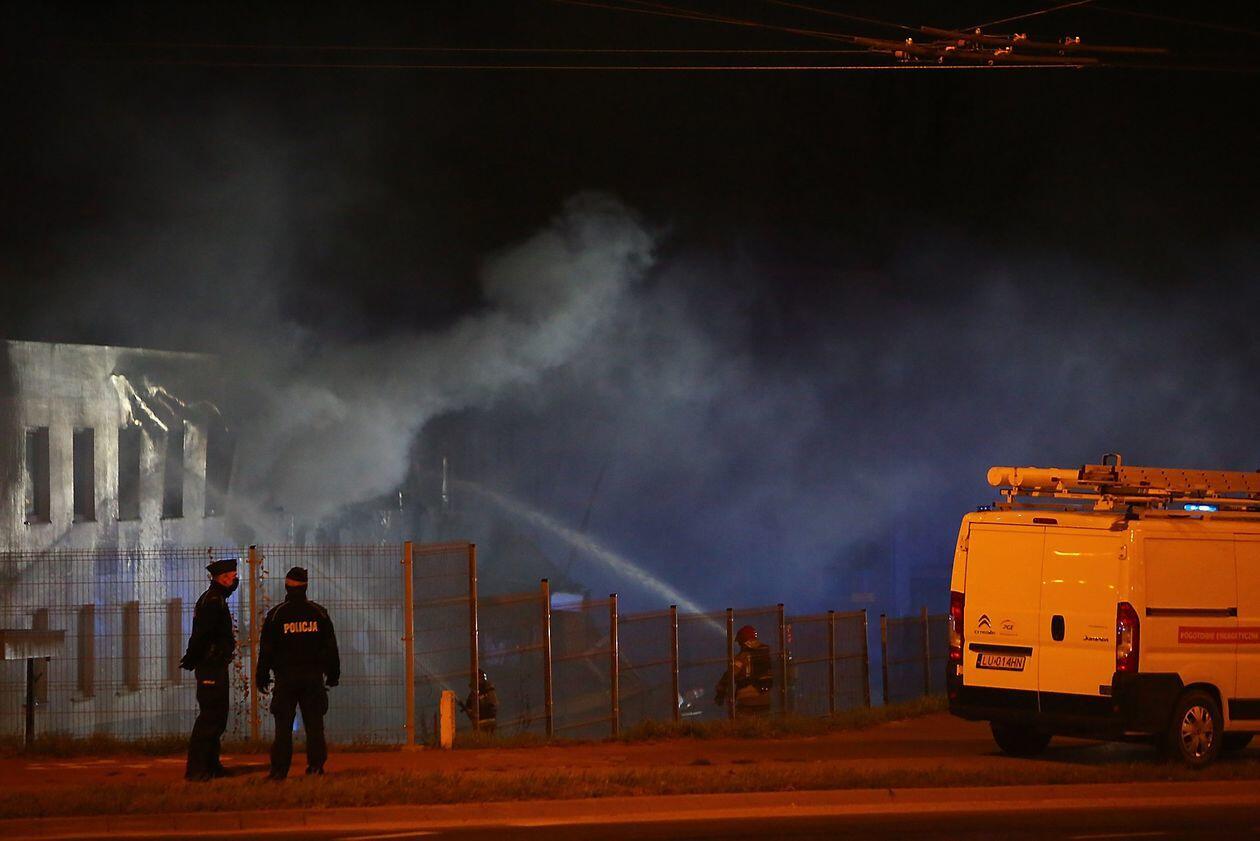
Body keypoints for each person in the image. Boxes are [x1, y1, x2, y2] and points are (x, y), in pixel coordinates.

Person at [256, 566, 340, 780]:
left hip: (286, 679)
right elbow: (330, 647)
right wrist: (333, 673)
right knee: (314, 725)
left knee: (283, 726)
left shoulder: (276, 615)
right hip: (312, 678)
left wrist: (262, 674)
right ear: (305, 587)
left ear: (286, 587)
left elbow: (266, 649)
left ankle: (279, 770)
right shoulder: (319, 613)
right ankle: (316, 767)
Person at [180, 557, 239, 782]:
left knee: (218, 716)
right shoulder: (213, 601)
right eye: (232, 577)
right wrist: (192, 657)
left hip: (215, 664)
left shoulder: (216, 599)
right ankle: (197, 769)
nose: (235, 580)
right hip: (210, 666)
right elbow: (202, 634)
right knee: (210, 717)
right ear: (222, 578)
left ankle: (212, 765)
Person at [714, 625, 773, 715]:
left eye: (740, 642)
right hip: (765, 698)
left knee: (740, 720)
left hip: (746, 698)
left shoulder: (742, 657)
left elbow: (730, 675)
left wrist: (720, 692)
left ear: (743, 641)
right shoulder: (767, 653)